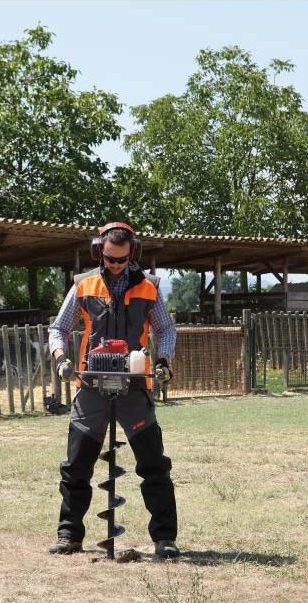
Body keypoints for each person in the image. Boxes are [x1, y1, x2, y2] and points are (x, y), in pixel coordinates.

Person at [47, 221, 179, 559]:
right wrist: (61, 359)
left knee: (154, 464)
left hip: (134, 387)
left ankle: (165, 538)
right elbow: (59, 328)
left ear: (132, 253)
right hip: (91, 385)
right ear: (99, 252)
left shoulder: (149, 287)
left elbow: (165, 328)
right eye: (110, 259)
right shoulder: (83, 285)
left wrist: (163, 360)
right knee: (76, 465)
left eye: (122, 259)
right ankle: (69, 535)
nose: (116, 265)